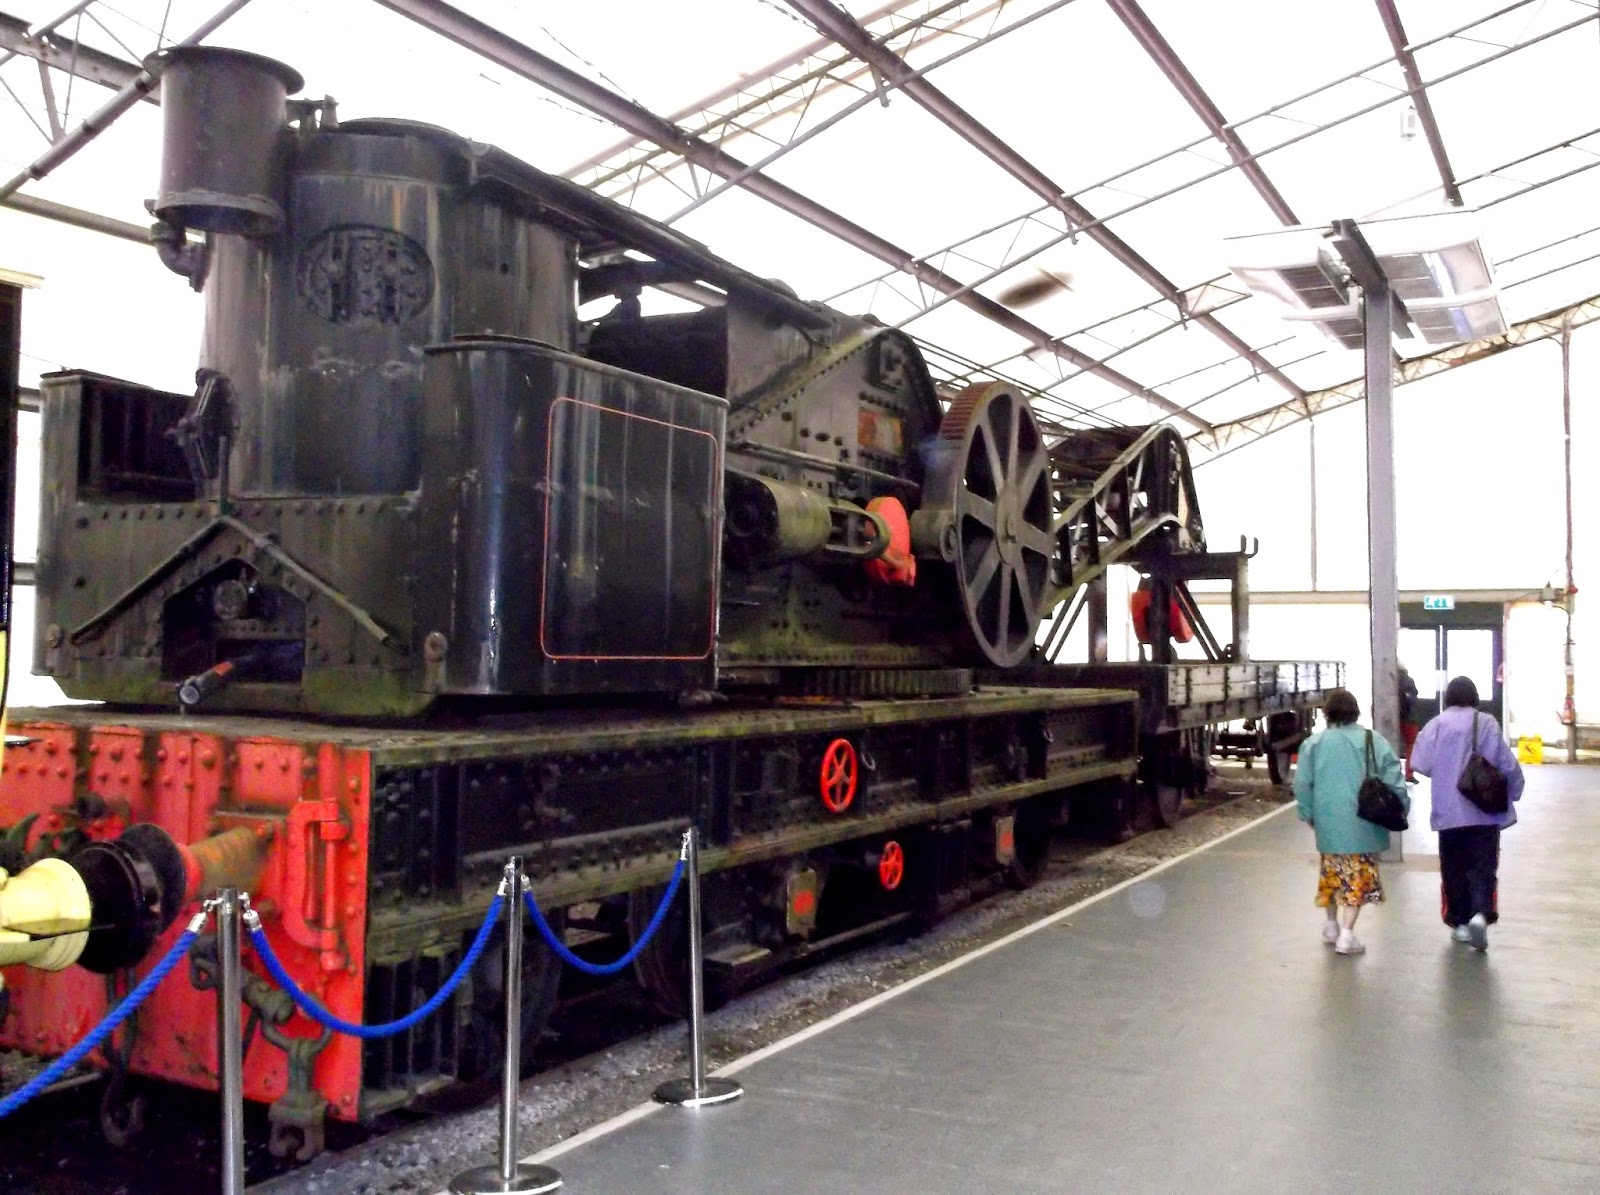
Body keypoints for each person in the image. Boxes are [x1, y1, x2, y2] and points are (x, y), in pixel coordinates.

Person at [1409, 676, 1524, 951]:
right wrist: (1516, 790)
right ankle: (1480, 915)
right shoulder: (1486, 723)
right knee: (1483, 867)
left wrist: (1445, 770)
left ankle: (1459, 924)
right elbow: (1507, 764)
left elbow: (1419, 763)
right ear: (1474, 697)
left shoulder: (1435, 725)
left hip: (1448, 814)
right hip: (1484, 813)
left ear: (1448, 697)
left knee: (1453, 868)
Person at [1293, 688, 1409, 956]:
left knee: (1331, 874)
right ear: (1356, 711)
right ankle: (1347, 935)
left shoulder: (1314, 743)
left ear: (1327, 713)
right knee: (1356, 877)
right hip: (1364, 822)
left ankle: (1331, 925)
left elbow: (1302, 784)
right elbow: (1394, 778)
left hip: (1327, 822)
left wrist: (1308, 813)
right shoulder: (1374, 741)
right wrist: (1402, 807)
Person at [1398, 663, 1420, 783]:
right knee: (1410, 746)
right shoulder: (1408, 681)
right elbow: (1412, 698)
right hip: (1409, 719)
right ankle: (1409, 774)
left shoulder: (1388, 681)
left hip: (1393, 717)